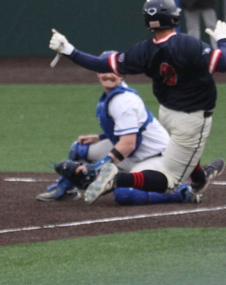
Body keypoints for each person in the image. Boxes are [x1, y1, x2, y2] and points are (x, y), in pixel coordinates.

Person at [48, 0, 226, 205]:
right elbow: (224, 63)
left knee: (181, 147)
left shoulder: (142, 51)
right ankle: (117, 179)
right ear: (173, 18)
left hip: (167, 112)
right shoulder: (187, 44)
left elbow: (100, 64)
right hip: (191, 118)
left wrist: (69, 50)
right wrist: (224, 39)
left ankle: (200, 177)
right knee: (170, 182)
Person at [38, 70, 201, 205]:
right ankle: (66, 189)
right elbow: (127, 132)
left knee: (125, 195)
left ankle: (180, 193)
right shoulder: (111, 96)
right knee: (79, 149)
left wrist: (96, 167)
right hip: (132, 152)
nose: (108, 75)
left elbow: (129, 144)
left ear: (122, 74)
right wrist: (100, 137)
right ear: (97, 73)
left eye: (114, 71)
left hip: (155, 158)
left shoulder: (125, 101)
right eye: (104, 70)